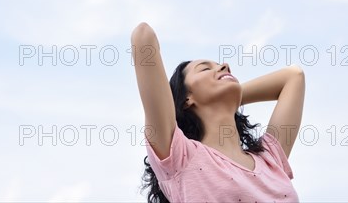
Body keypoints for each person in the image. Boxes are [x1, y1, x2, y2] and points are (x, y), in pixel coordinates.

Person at [130, 22, 305, 203]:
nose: (224, 66)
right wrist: (225, 94)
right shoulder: (180, 157)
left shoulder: (270, 159)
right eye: (206, 68)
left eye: (220, 66)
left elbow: (294, 76)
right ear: (186, 99)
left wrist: (229, 95)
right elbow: (143, 36)